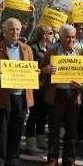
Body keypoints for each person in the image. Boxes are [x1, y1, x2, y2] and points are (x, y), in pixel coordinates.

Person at [0, 18, 36, 166]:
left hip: (21, 95)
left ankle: (13, 159)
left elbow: (32, 70)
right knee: (1, 130)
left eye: (18, 29)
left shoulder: (27, 49)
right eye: (11, 29)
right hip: (3, 95)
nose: (15, 32)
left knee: (16, 129)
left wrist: (35, 74)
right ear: (4, 31)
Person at [40, 24, 83, 166]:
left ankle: (69, 161)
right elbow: (39, 70)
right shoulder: (52, 51)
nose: (70, 40)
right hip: (56, 94)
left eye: (73, 37)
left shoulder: (80, 52)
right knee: (54, 129)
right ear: (61, 37)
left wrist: (82, 84)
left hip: (73, 95)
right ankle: (52, 160)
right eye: (67, 37)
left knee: (72, 130)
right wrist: (45, 70)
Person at [25, 24, 54, 156]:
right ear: (44, 34)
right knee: (34, 114)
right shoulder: (33, 49)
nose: (53, 35)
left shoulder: (50, 48)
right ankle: (30, 143)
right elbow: (30, 69)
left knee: (43, 113)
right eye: (51, 33)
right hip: (35, 86)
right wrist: (43, 70)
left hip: (46, 87)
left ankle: (40, 140)